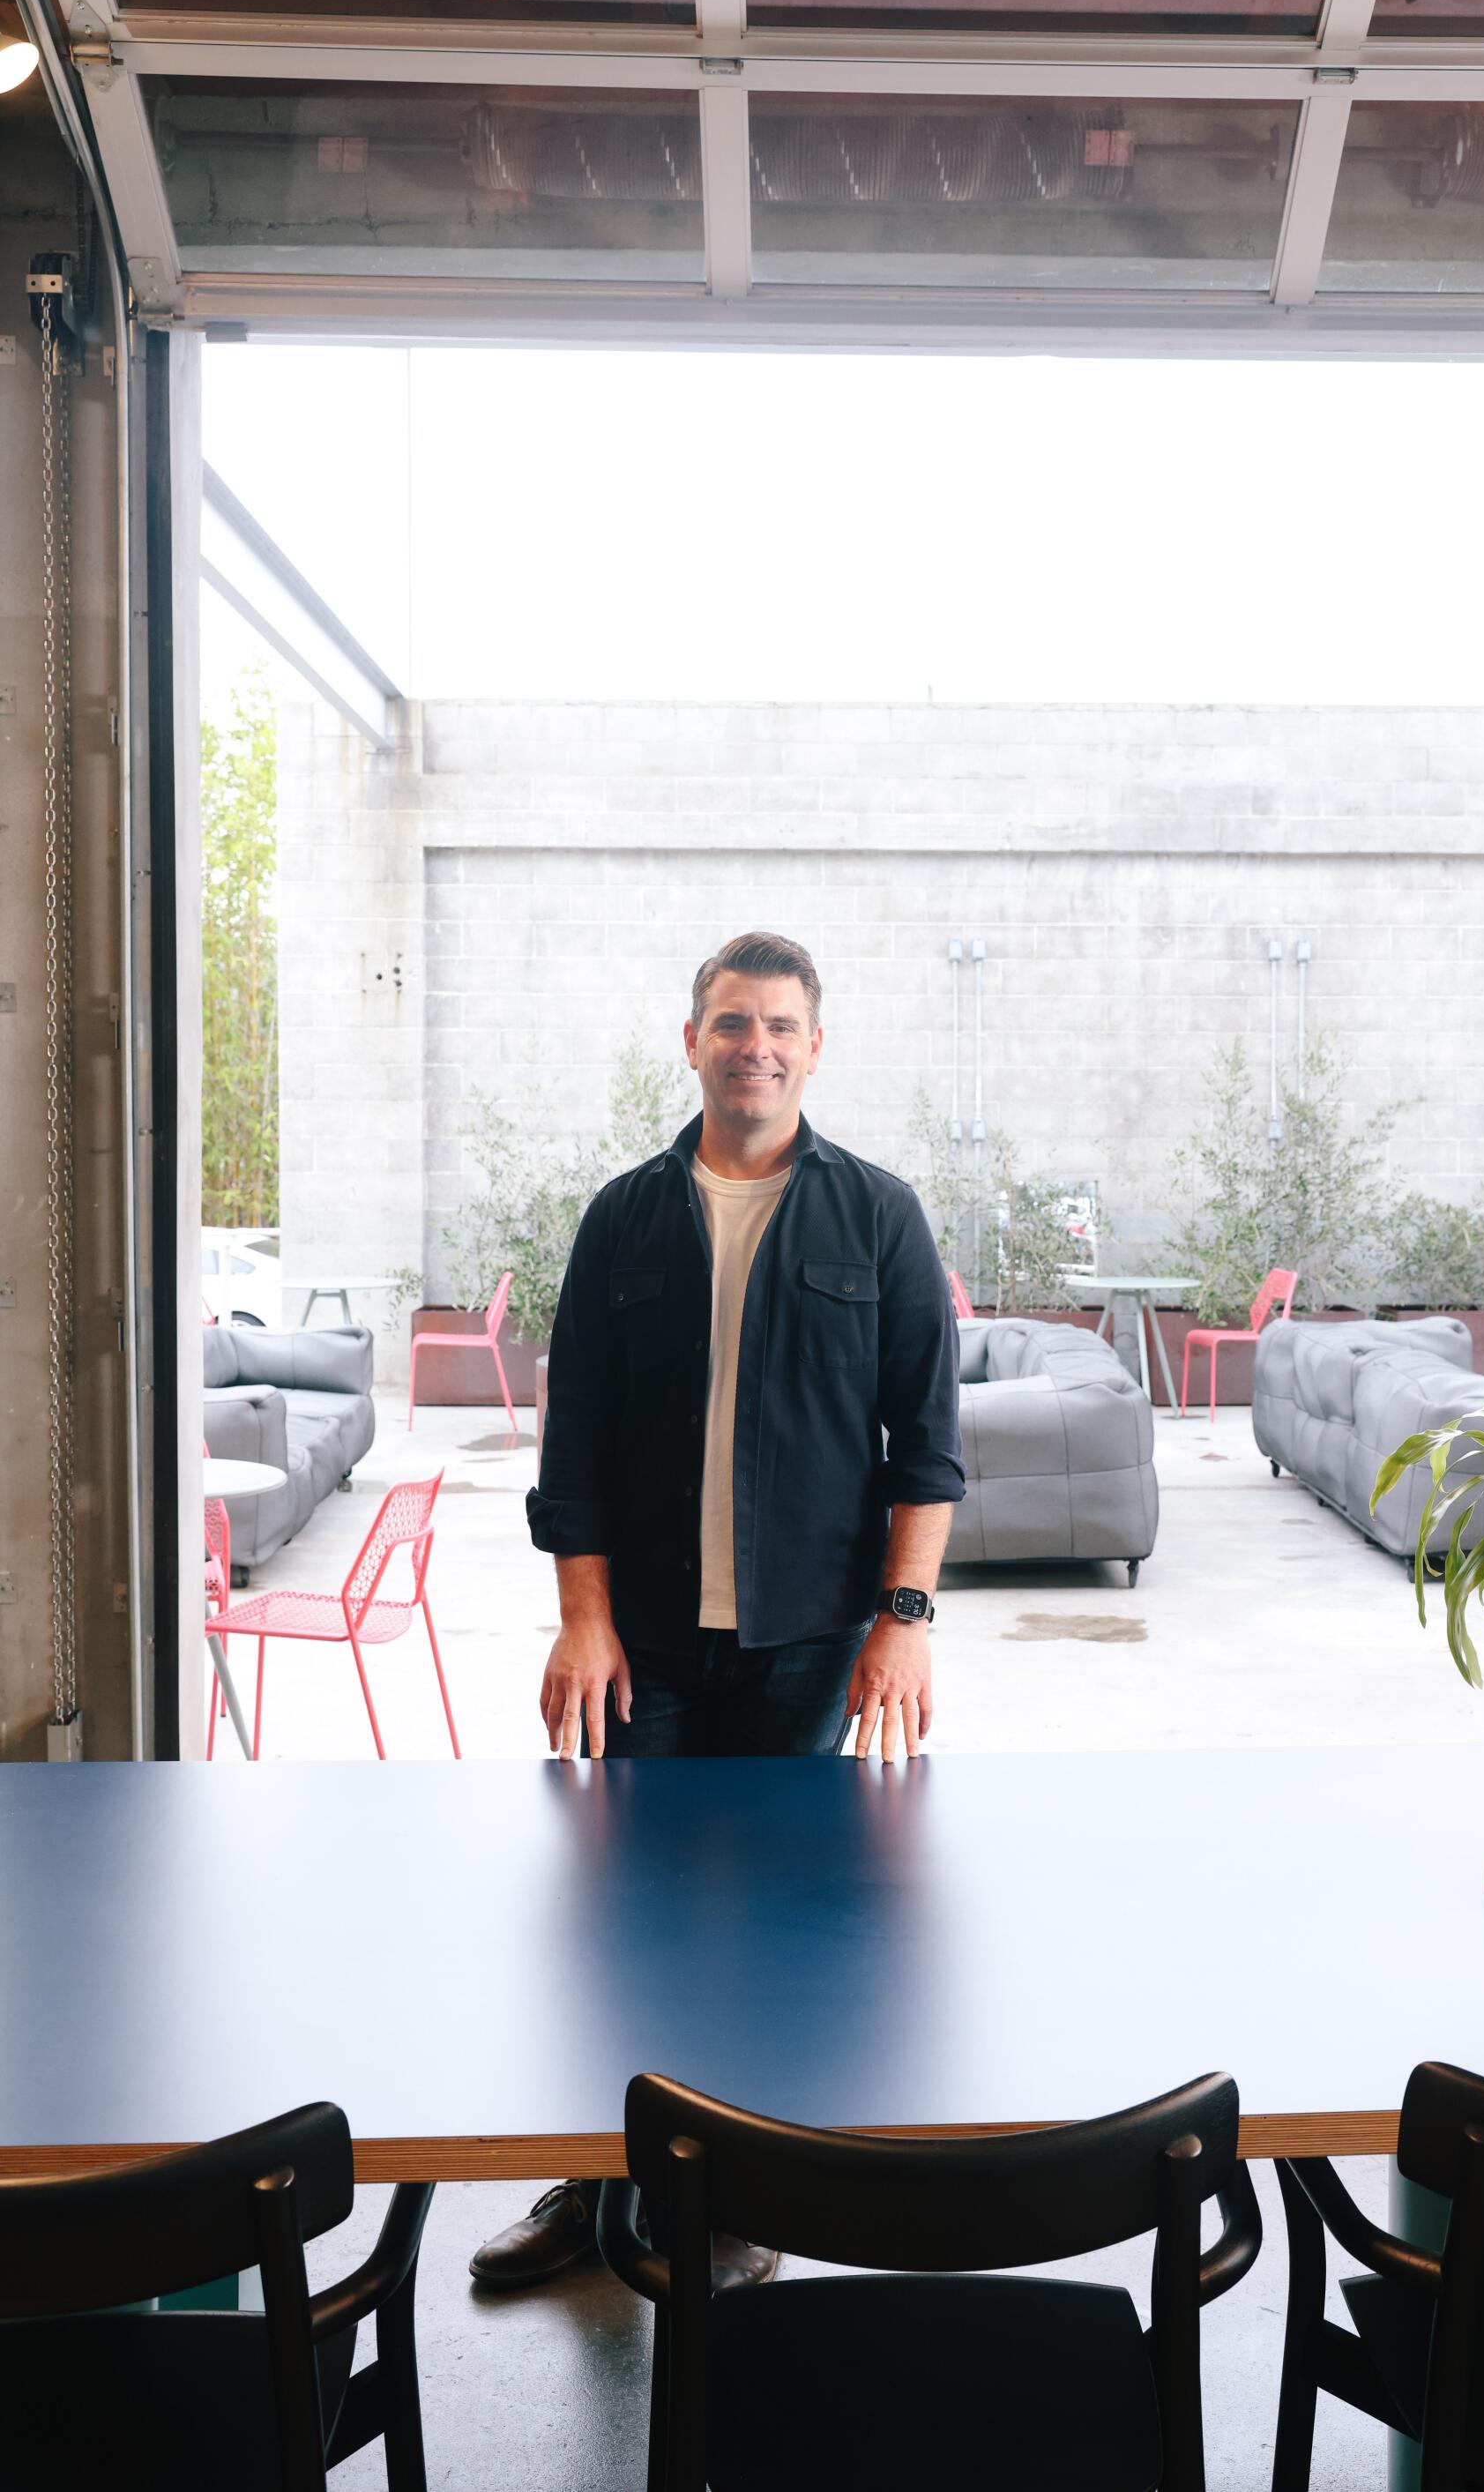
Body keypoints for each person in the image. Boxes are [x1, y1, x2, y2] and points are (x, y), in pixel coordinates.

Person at [467, 930, 964, 2288]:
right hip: (646, 1647)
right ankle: (589, 2187)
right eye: (732, 1022)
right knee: (622, 1919)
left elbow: (925, 1442)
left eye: (781, 1025)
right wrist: (582, 1615)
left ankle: (742, 2195)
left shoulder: (879, 1216)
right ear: (691, 1041)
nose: (757, 1045)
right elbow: (576, 1449)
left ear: (816, 1045)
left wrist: (902, 1618)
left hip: (808, 1649)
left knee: (779, 1932)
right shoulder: (622, 1217)